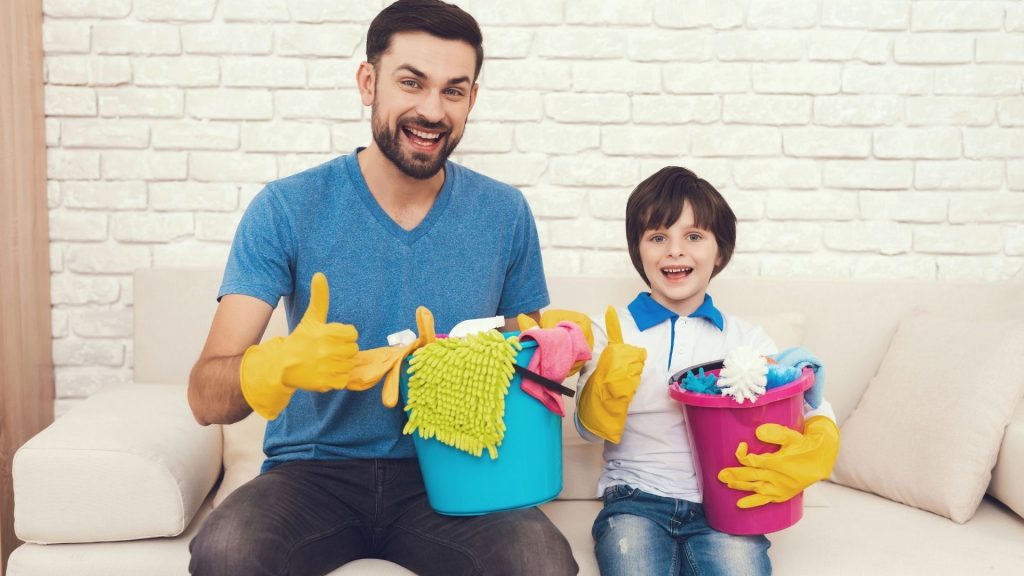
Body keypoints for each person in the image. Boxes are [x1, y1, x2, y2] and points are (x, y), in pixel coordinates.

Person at [186, 1, 578, 574]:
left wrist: (572, 357)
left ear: (472, 99)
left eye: (453, 90)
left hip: (457, 470)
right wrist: (272, 365)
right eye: (411, 82)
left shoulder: (504, 213)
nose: (431, 109)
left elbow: (534, 373)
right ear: (368, 83)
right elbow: (204, 397)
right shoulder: (288, 208)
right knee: (228, 553)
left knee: (540, 562)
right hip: (312, 474)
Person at [573, 166, 840, 575]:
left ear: (721, 252)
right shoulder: (611, 331)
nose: (674, 251)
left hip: (727, 503)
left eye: (693, 236)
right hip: (634, 499)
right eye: (658, 237)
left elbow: (802, 401)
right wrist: (601, 395)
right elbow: (588, 430)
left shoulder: (746, 341)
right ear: (638, 250)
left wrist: (822, 432)